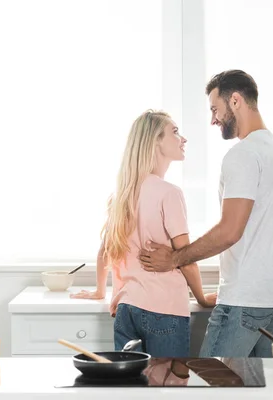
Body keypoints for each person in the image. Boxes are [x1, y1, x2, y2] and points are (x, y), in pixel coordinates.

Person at [138, 70, 273, 357]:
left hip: (244, 302)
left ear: (235, 101)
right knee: (259, 388)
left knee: (212, 387)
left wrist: (173, 258)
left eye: (215, 109)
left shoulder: (243, 155)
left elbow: (230, 231)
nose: (213, 119)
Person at [71, 110, 217, 356]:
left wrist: (100, 290)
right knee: (167, 389)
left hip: (127, 310)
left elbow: (104, 251)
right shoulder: (169, 193)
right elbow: (185, 256)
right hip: (164, 310)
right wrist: (201, 298)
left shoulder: (123, 194)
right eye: (175, 132)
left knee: (131, 389)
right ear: (155, 141)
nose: (183, 139)